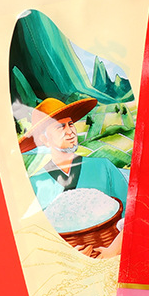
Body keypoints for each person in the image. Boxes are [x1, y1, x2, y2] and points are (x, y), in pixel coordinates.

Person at [19, 96, 129, 258]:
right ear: (44, 140)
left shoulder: (102, 166)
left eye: (70, 124)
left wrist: (113, 250)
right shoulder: (35, 184)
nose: (70, 132)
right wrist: (65, 254)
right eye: (60, 127)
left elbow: (135, 212)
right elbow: (34, 239)